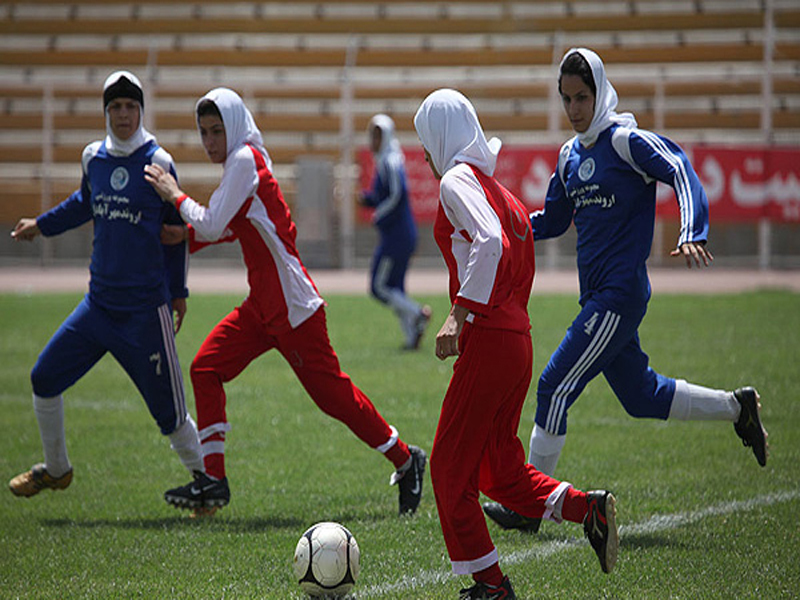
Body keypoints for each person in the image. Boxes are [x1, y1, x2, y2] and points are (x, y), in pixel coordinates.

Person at [483, 48, 769, 534]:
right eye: (567, 99)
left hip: (618, 296)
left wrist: (691, 228)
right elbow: (551, 220)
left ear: (600, 92)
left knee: (553, 387)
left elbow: (679, 167)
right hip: (597, 299)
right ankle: (736, 407)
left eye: (582, 97)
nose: (574, 108)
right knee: (641, 396)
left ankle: (529, 506)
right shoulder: (569, 156)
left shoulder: (623, 142)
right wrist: (501, 226)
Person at [144, 88, 426, 517]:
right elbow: (235, 225)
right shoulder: (244, 161)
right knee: (206, 368)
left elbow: (216, 219)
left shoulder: (243, 160)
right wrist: (188, 236)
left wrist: (173, 195)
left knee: (335, 398)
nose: (210, 141)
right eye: (204, 133)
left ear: (234, 127)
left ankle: (407, 460)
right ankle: (214, 481)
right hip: (264, 305)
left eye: (217, 130)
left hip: (293, 308)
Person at [414, 88, 619, 600]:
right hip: (516, 341)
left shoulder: (458, 180)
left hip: (489, 340)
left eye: (424, 141)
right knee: (495, 468)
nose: (422, 154)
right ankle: (584, 507)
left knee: (447, 467)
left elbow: (490, 243)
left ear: (441, 137)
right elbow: (513, 248)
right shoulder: (496, 189)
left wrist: (459, 317)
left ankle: (490, 586)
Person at [8, 71, 204, 500]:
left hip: (144, 312)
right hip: (97, 308)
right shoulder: (93, 157)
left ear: (141, 110)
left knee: (170, 415)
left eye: (130, 106)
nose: (123, 114)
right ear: (105, 112)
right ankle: (57, 469)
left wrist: (179, 293)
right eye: (115, 107)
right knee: (43, 377)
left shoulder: (159, 162)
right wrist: (41, 225)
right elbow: (84, 202)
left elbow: (176, 233)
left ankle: (204, 484)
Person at [360, 114, 431, 350]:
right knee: (396, 289)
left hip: (396, 236)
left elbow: (396, 194)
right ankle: (412, 338)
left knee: (378, 288)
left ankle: (417, 313)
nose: (373, 140)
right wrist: (367, 200)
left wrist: (378, 214)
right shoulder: (388, 160)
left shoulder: (390, 161)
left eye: (377, 135)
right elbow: (384, 196)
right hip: (401, 234)